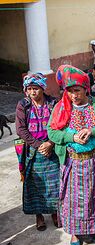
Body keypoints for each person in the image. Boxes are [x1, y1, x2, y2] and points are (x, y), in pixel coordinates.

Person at [47, 65, 95, 245]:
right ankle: (75, 233)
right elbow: (52, 132)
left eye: (77, 91)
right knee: (73, 201)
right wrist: (71, 137)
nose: (73, 96)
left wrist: (92, 131)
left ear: (86, 89)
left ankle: (94, 229)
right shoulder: (61, 108)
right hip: (72, 163)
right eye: (69, 92)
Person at [15, 74, 60, 231]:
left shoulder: (53, 103)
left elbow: (61, 124)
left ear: (42, 88)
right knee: (35, 185)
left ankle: (55, 212)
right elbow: (20, 129)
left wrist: (51, 143)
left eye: (35, 88)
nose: (32, 92)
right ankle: (39, 215)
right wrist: (39, 145)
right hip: (33, 151)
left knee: (54, 183)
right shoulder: (23, 105)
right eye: (29, 89)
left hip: (52, 150)